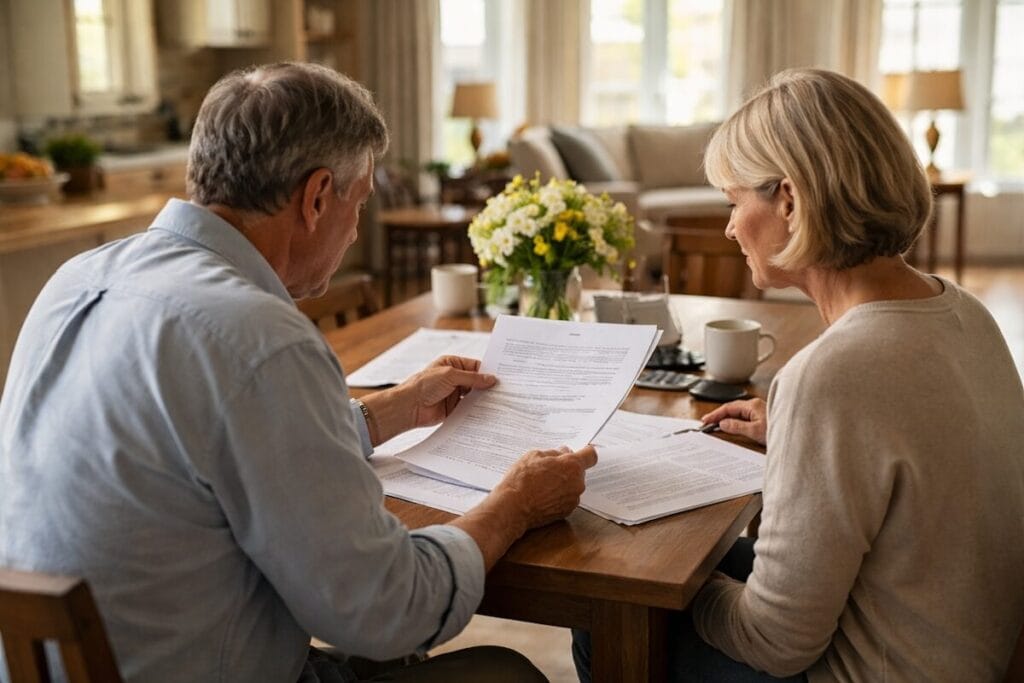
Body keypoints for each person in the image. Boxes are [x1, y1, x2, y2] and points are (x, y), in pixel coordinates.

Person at [0, 62, 597, 683]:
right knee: (504, 673)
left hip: (55, 666)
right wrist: (515, 504)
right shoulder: (259, 336)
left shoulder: (77, 279)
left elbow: (205, 439)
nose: (356, 226)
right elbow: (388, 609)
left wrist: (387, 410)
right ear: (316, 198)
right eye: (359, 202)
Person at [573, 68, 1024, 682]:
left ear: (789, 198)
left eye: (734, 202)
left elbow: (774, 641)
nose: (730, 227)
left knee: (605, 618)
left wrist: (653, 585)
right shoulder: (965, 311)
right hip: (968, 648)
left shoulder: (834, 374)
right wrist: (799, 432)